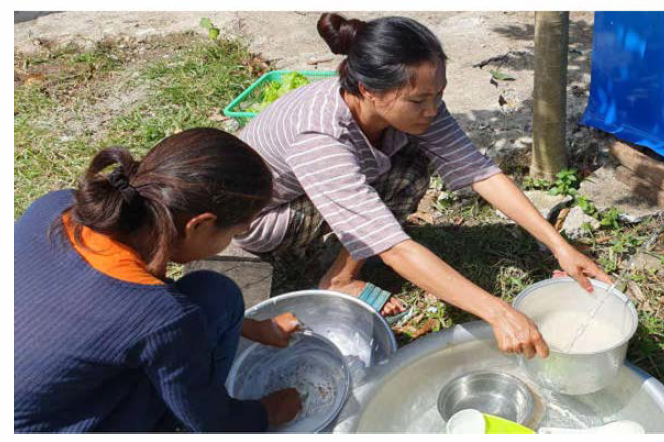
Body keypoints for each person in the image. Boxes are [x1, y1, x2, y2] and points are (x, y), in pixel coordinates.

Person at [234, 13, 611, 359]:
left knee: (410, 168)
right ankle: (338, 279)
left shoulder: (417, 106)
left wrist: (559, 246)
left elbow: (478, 171)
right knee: (381, 213)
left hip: (324, 189)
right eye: (418, 100)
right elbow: (394, 248)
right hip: (265, 220)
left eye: (439, 94)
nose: (432, 110)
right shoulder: (320, 136)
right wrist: (498, 312)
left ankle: (344, 269)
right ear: (367, 90)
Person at [14, 128, 302, 432]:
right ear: (200, 225)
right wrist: (266, 414)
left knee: (215, 295)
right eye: (235, 232)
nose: (234, 239)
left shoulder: (57, 206)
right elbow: (213, 422)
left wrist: (257, 328)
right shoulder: (161, 317)